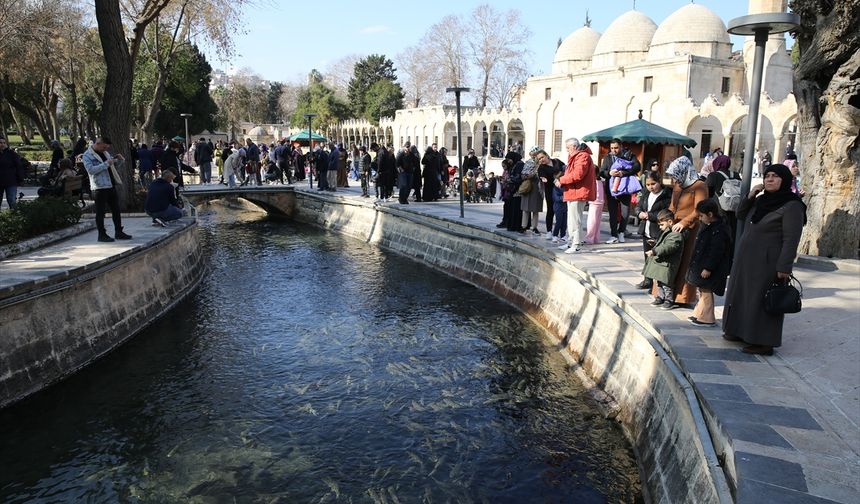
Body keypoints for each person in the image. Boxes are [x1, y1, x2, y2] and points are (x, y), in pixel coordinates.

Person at [722, 164, 806, 355]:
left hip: (768, 262)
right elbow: (740, 214)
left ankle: (764, 342)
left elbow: (791, 239)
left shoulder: (792, 205)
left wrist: (785, 266)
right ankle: (739, 331)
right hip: (747, 260)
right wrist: (751, 195)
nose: (769, 179)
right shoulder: (761, 201)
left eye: (775, 176)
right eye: (767, 176)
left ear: (784, 180)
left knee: (762, 300)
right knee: (743, 296)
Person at [664, 156, 709, 307]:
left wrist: (684, 222)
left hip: (691, 228)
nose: (675, 178)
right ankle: (664, 294)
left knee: (685, 262)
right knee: (668, 259)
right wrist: (666, 220)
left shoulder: (699, 185)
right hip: (674, 226)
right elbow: (672, 206)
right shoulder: (678, 185)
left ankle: (682, 298)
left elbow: (699, 209)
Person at [685, 199, 733, 327]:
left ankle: (707, 318)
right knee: (702, 289)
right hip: (702, 264)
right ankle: (700, 313)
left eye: (701, 216)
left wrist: (708, 268)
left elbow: (716, 251)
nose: (700, 219)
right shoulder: (709, 226)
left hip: (711, 267)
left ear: (710, 214)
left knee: (706, 291)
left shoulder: (719, 230)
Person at [82, 136, 132, 242]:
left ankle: (119, 231)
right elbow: (91, 170)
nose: (105, 150)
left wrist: (119, 161)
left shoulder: (105, 153)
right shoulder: (87, 155)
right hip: (99, 187)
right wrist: (106, 164)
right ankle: (102, 234)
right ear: (98, 143)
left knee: (116, 210)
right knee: (100, 212)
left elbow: (112, 168)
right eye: (104, 147)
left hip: (110, 185)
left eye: (107, 148)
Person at [555, 137, 596, 253]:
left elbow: (578, 174)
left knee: (576, 219)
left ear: (574, 146)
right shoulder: (576, 156)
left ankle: (576, 244)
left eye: (568, 148)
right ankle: (570, 242)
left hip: (578, 192)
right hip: (573, 192)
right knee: (571, 219)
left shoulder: (583, 156)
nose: (567, 150)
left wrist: (561, 180)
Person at [635, 170, 673, 290]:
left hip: (658, 230)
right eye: (648, 184)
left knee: (657, 257)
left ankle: (658, 286)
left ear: (659, 182)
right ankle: (647, 280)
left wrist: (649, 216)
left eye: (653, 184)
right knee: (647, 256)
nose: (651, 187)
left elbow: (665, 213)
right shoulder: (646, 194)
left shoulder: (666, 194)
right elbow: (639, 206)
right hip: (646, 229)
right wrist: (639, 213)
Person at [599, 139, 641, 243]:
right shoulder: (607, 157)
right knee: (612, 213)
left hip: (625, 188)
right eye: (612, 148)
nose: (614, 150)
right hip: (611, 189)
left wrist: (624, 173)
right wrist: (609, 173)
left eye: (616, 148)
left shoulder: (629, 155)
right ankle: (613, 235)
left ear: (621, 146)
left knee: (625, 213)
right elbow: (601, 172)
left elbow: (637, 167)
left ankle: (621, 232)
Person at [642, 210, 684, 309]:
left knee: (667, 283)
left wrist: (655, 251)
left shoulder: (676, 235)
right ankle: (660, 297)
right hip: (662, 264)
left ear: (670, 222)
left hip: (668, 264)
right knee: (659, 281)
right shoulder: (666, 232)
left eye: (661, 224)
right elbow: (663, 243)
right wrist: (655, 243)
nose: (660, 227)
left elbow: (668, 247)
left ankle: (669, 300)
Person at [705, 154, 741, 239]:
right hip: (735, 210)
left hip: (719, 211)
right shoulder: (736, 175)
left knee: (719, 237)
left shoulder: (713, 175)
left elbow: (707, 193)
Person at [536, 147, 563, 238]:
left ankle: (562, 232)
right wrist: (543, 178)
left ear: (547, 156)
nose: (541, 159)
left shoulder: (556, 161)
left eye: (542, 157)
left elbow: (565, 168)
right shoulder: (541, 168)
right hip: (550, 191)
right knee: (550, 210)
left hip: (560, 189)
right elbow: (542, 176)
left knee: (561, 211)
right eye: (539, 159)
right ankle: (549, 231)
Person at [0, 136, 25, 209]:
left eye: (4, 143)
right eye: (0, 143)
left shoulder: (11, 154)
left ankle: (14, 216)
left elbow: (19, 166)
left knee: (11, 200)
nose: (2, 144)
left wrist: (21, 178)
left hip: (11, 181)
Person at [549, 171, 568, 243]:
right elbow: (556, 198)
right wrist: (565, 196)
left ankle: (563, 235)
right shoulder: (555, 188)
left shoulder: (565, 187)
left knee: (564, 223)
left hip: (564, 207)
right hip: (558, 207)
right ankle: (555, 235)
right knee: (559, 222)